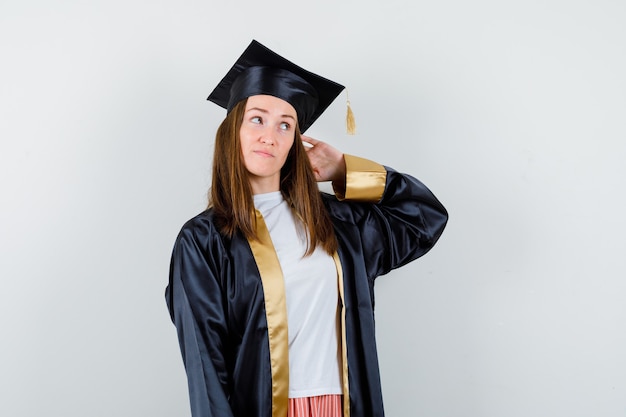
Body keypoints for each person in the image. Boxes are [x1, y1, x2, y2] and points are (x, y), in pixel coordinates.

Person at [166, 40, 448, 417]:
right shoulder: (204, 241)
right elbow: (205, 361)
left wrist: (345, 169)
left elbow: (425, 218)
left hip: (346, 404)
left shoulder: (338, 222)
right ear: (232, 128)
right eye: (258, 118)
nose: (271, 135)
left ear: (294, 144)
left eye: (286, 125)